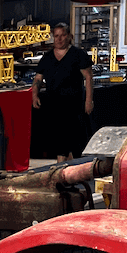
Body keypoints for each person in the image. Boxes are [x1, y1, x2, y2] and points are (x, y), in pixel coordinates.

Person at [32, 22, 93, 161]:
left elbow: (89, 77)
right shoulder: (47, 57)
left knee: (71, 139)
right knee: (60, 139)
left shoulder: (78, 54)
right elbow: (38, 79)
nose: (59, 39)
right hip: (53, 104)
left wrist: (89, 100)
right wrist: (34, 95)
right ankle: (64, 167)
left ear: (69, 36)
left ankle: (62, 168)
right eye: (56, 36)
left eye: (62, 35)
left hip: (73, 104)